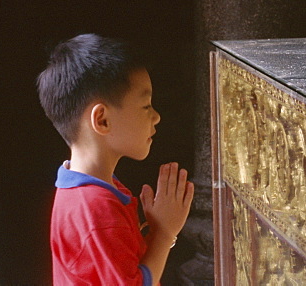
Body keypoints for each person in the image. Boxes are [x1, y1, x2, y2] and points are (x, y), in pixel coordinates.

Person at [37, 34, 194, 285]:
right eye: (146, 106)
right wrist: (164, 233)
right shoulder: (97, 209)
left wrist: (152, 232)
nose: (156, 117)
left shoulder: (88, 188)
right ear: (102, 120)